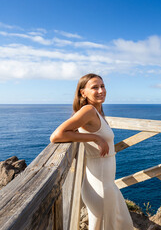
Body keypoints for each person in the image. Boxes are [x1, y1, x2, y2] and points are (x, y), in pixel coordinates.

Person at [50, 73, 133, 230]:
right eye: (95, 87)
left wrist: (93, 137)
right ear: (83, 92)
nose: (101, 90)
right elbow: (56, 135)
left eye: (102, 86)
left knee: (124, 224)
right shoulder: (88, 110)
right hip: (100, 186)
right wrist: (95, 138)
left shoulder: (97, 111)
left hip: (107, 184)